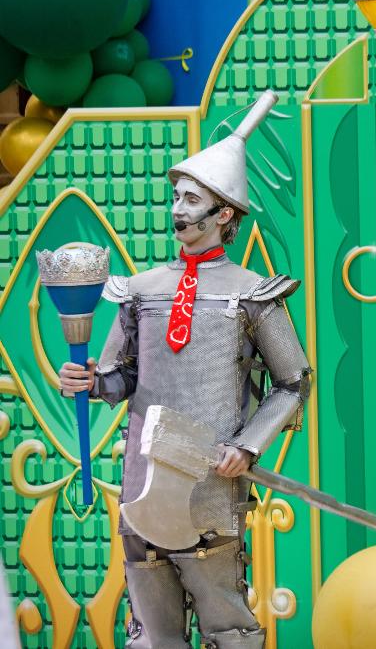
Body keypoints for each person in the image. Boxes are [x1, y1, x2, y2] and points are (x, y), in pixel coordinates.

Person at [57, 93, 311, 649]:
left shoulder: (252, 293)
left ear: (224, 214)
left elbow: (294, 382)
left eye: (191, 199)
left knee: (229, 629)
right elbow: (120, 377)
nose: (177, 209)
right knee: (153, 634)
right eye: (175, 196)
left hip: (211, 488)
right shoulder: (141, 291)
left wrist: (247, 446)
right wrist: (90, 382)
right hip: (143, 485)